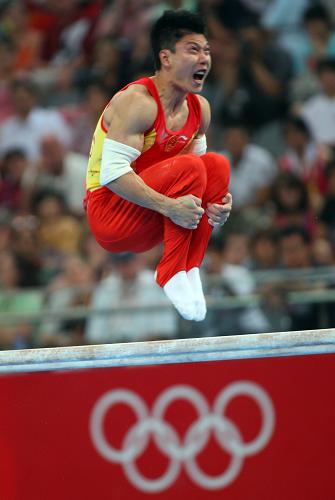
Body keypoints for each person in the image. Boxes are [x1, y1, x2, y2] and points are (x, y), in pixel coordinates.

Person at [84, 10, 232, 322]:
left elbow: (203, 177)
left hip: (151, 215)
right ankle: (171, 271)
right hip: (110, 214)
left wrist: (215, 208)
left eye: (207, 50)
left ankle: (190, 267)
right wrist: (170, 207)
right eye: (193, 49)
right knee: (192, 168)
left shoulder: (200, 110)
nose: (204, 58)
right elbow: (112, 175)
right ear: (165, 58)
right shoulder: (137, 102)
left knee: (215, 165)